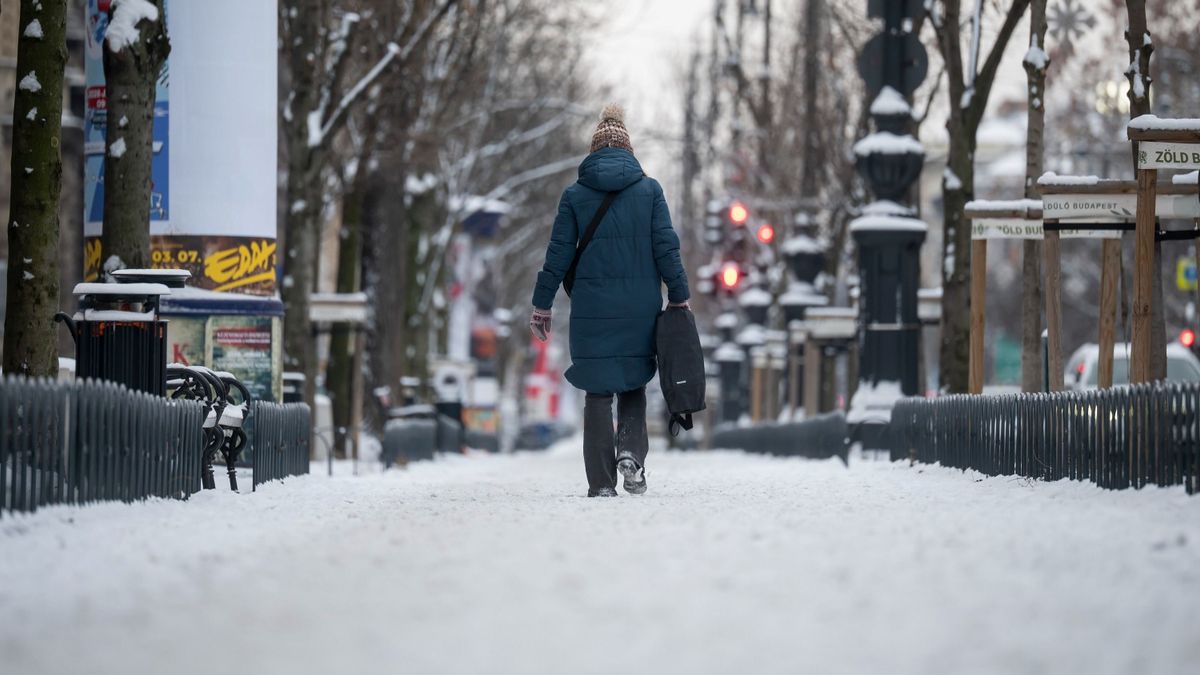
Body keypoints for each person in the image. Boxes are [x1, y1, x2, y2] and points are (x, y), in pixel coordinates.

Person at [530, 104, 690, 497]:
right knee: (633, 383)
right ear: (629, 153)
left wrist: (542, 304)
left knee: (598, 391)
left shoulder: (574, 196)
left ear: (592, 152)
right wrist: (679, 295)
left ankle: (601, 483)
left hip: (590, 309)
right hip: (640, 309)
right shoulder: (650, 191)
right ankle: (631, 453)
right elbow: (666, 247)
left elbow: (558, 254)